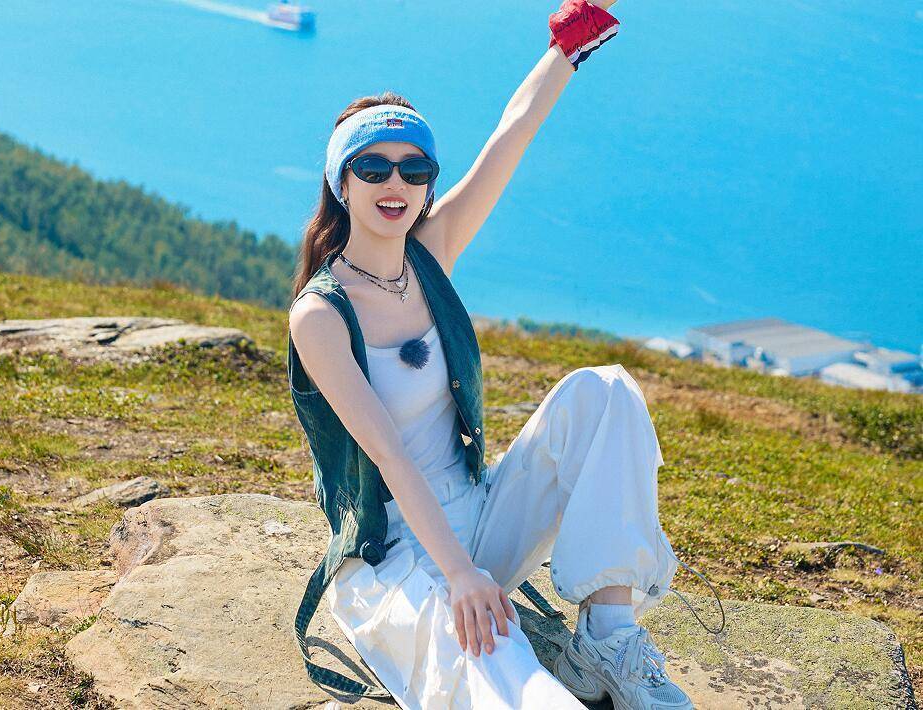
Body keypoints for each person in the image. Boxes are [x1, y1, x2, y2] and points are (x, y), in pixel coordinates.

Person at [287, 2, 711, 707]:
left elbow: (512, 134)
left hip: (480, 517)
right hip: (393, 558)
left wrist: (567, 47)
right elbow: (389, 456)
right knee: (504, 678)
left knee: (604, 391)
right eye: (374, 167)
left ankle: (607, 639)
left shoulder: (430, 255)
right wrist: (460, 576)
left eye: (414, 169)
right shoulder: (321, 316)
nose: (395, 184)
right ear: (342, 181)